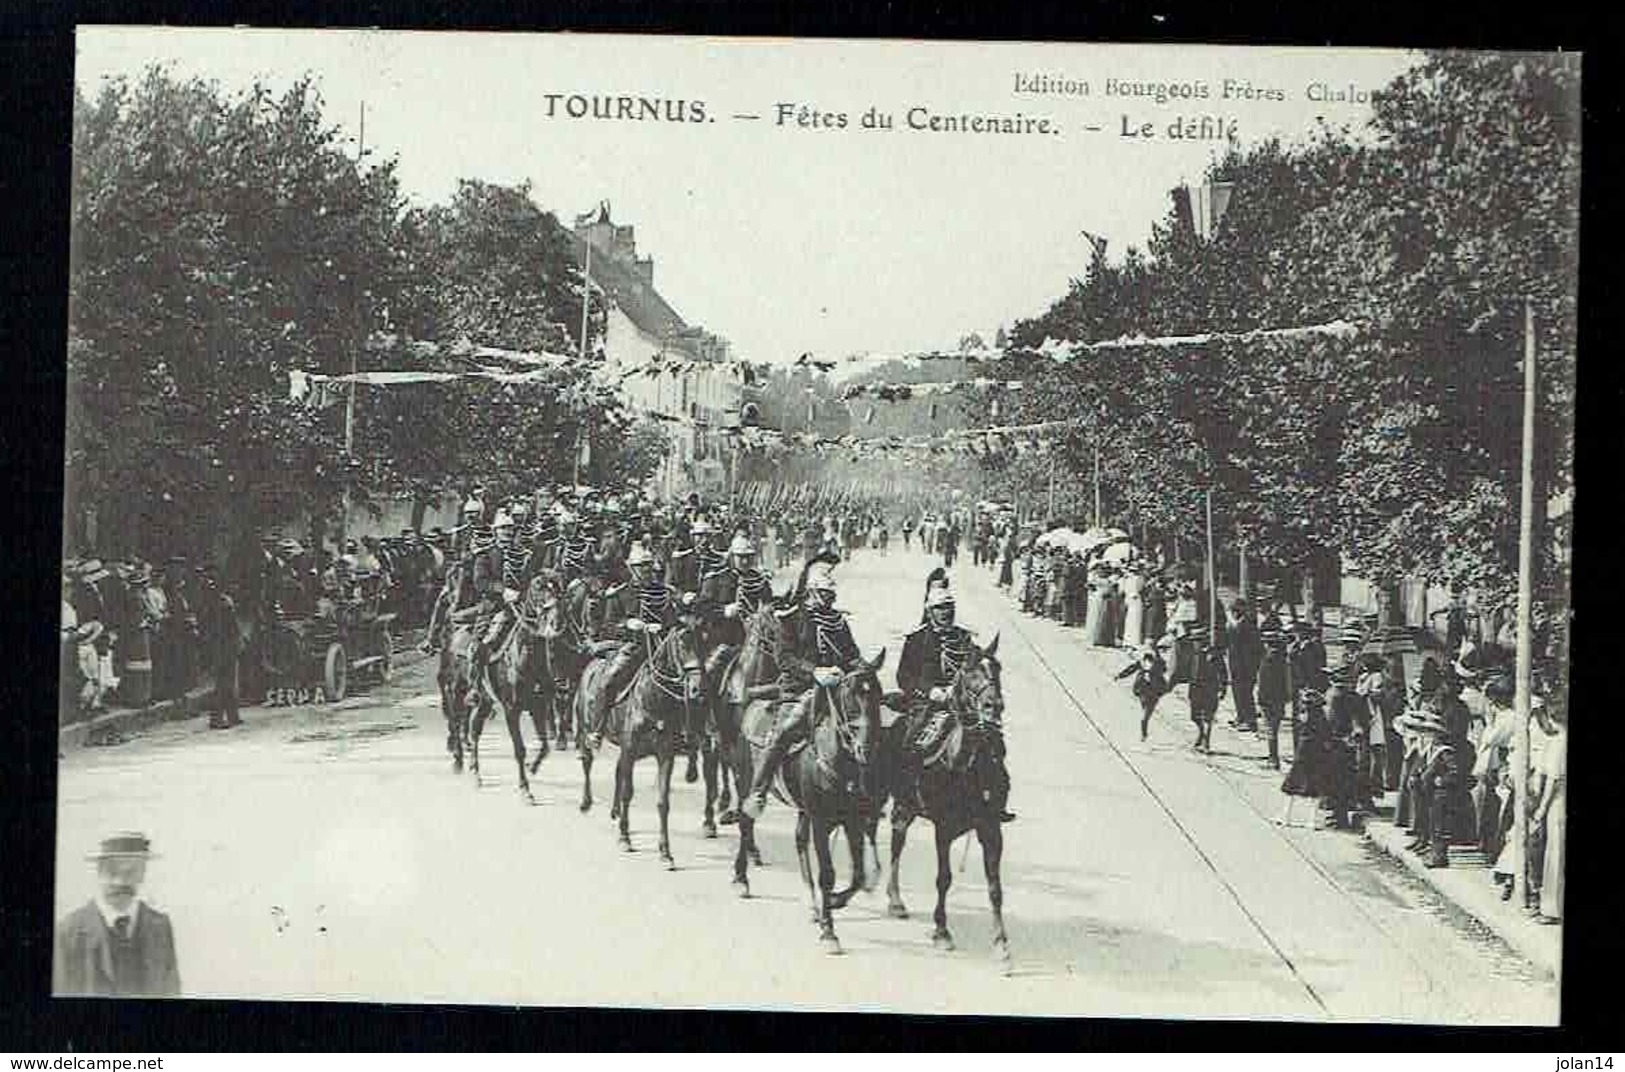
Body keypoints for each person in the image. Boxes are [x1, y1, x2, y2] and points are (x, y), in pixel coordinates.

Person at [742, 556, 864, 820]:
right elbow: (784, 658)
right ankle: (758, 790)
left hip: (836, 688)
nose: (829, 600)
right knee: (784, 731)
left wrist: (860, 668)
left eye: (831, 594)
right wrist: (815, 672)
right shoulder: (791, 619)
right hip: (800, 689)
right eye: (823, 593)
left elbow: (851, 653)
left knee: (865, 724)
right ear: (811, 591)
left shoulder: (838, 622)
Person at [894, 568, 1015, 824]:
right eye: (940, 608)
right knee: (912, 741)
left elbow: (978, 665)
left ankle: (994, 800)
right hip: (928, 705)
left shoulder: (963, 637)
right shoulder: (917, 639)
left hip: (960, 705)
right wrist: (931, 691)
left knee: (994, 742)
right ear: (930, 611)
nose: (946, 613)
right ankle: (905, 799)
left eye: (949, 607)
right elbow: (904, 677)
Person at [55, 833, 180, 997]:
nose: (121, 882)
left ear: (143, 873)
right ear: (99, 871)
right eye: (112, 871)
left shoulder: (160, 926)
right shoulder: (68, 931)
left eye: (131, 871)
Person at [589, 541, 679, 740]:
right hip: (633, 646)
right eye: (641, 567)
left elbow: (673, 621)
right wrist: (627, 624)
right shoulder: (620, 593)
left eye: (648, 566)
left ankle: (686, 731)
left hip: (662, 648)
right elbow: (607, 625)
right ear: (632, 568)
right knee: (608, 681)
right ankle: (597, 727)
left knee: (688, 678)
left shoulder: (663, 592)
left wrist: (663, 627)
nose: (646, 571)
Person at [196, 567, 242, 730]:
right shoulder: (219, 603)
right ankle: (218, 718)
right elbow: (228, 627)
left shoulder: (217, 602)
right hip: (222, 645)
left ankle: (231, 715)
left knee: (227, 682)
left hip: (224, 644)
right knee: (224, 683)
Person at [1116, 642, 1169, 742]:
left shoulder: (1159, 663)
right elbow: (1130, 669)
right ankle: (1144, 729)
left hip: (1154, 691)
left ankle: (1144, 731)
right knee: (1145, 710)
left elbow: (1164, 670)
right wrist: (1120, 676)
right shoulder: (1142, 662)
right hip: (1142, 690)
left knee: (1146, 714)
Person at [1256, 618, 1290, 769]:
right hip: (1279, 699)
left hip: (1269, 699)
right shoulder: (1282, 659)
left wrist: (1261, 699)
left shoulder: (1269, 660)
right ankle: (1272, 757)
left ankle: (1273, 758)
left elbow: (1265, 683)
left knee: (1271, 730)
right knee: (1272, 730)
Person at [1225, 599, 1262, 732]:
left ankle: (1250, 721)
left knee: (1246, 693)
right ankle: (1240, 717)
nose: (1233, 614)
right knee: (1237, 692)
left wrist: (1252, 666)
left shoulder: (1249, 626)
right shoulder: (1232, 625)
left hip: (1247, 666)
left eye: (1235, 611)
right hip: (1235, 664)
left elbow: (1255, 649)